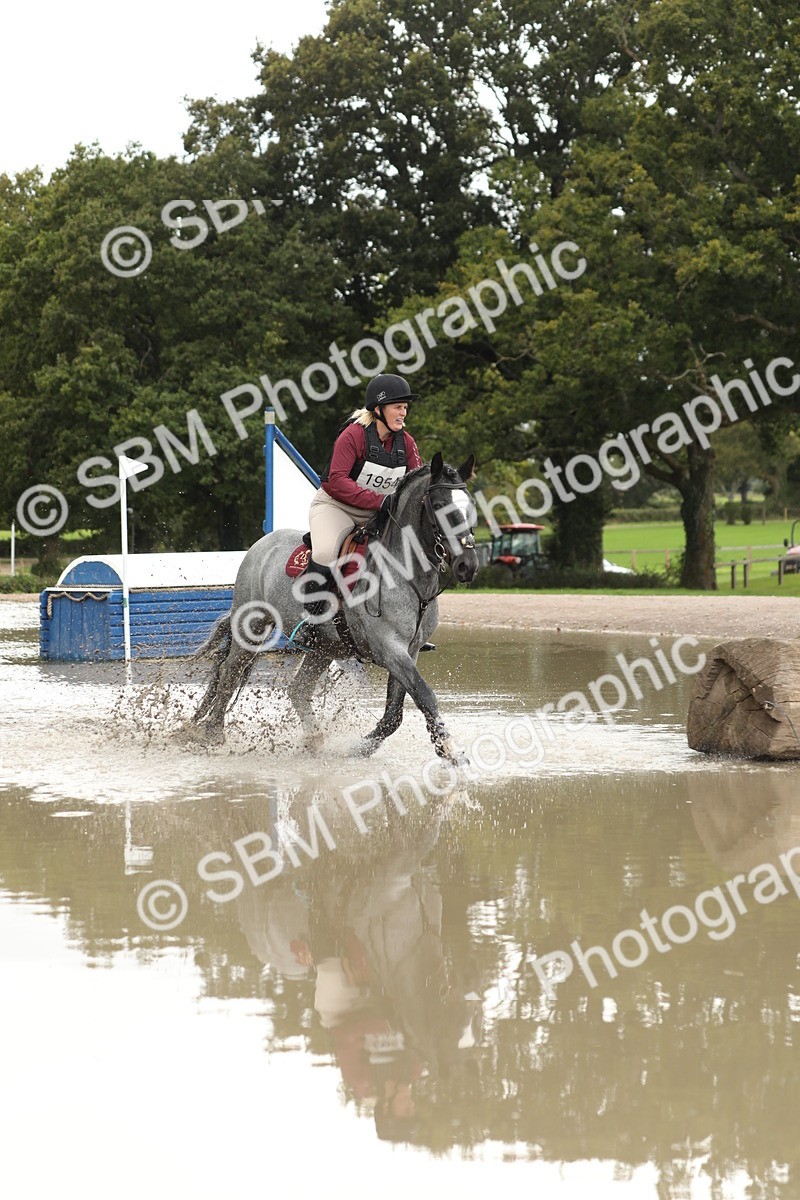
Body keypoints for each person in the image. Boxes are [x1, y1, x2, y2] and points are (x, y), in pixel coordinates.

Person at [304, 373, 424, 618]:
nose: (403, 413)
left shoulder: (407, 443)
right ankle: (310, 618)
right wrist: (380, 500)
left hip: (379, 513)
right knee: (326, 551)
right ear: (378, 409)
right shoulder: (354, 435)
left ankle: (409, 624)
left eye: (405, 408)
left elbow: (417, 482)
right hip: (337, 508)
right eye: (397, 407)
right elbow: (336, 481)